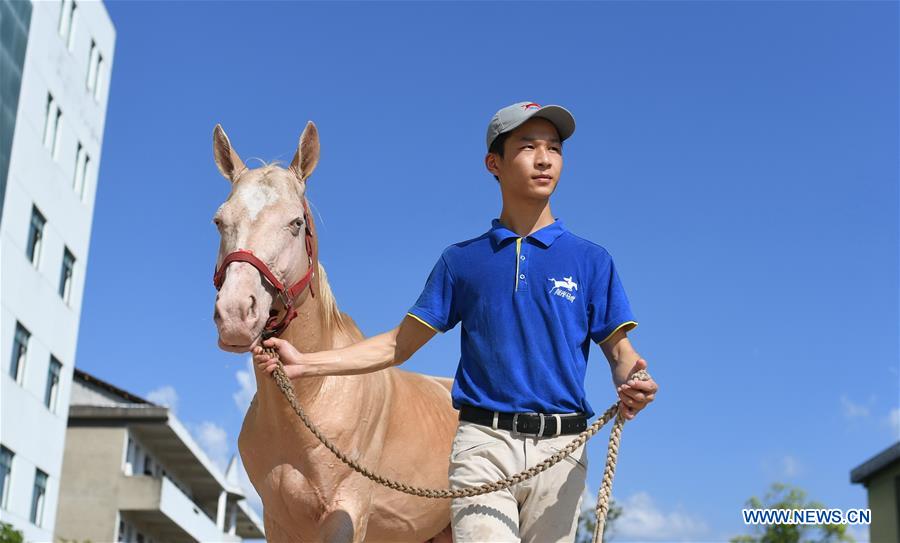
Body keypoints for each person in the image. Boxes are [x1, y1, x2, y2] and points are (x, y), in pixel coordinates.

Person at [253, 101, 659, 542]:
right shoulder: (462, 262)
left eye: (554, 148)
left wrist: (633, 377)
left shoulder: (592, 261)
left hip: (562, 452)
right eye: (527, 147)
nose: (544, 159)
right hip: (483, 445)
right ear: (494, 163)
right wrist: (305, 364)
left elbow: (620, 352)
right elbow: (396, 346)